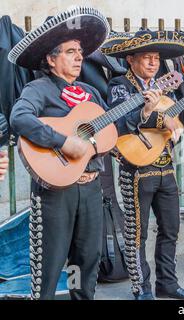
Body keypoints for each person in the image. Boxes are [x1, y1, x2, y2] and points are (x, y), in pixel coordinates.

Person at [103, 30, 184, 300]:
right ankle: (141, 288)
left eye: (155, 58)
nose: (153, 62)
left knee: (170, 228)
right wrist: (152, 116)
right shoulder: (120, 85)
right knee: (136, 232)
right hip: (136, 169)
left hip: (166, 167)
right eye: (146, 57)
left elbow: (180, 122)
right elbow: (119, 124)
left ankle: (167, 282)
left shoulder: (164, 87)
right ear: (130, 60)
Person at [8, 6, 110, 299]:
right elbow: (20, 118)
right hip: (55, 193)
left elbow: (112, 130)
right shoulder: (39, 89)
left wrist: (144, 111)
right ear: (51, 60)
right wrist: (62, 141)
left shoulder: (90, 93)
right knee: (49, 266)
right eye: (69, 51)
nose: (79, 56)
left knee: (87, 260)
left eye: (80, 51)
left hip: (90, 187)